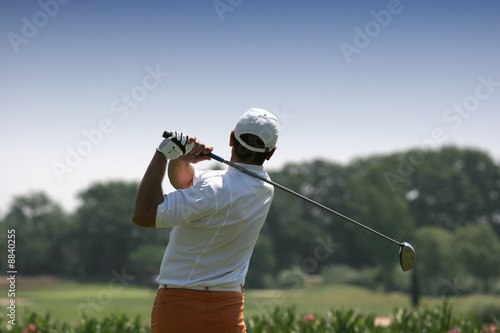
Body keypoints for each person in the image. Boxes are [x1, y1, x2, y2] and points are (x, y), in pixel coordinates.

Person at [132, 108, 279, 332]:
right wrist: (181, 159)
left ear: (231, 138)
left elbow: (144, 215)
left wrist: (162, 155)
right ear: (270, 153)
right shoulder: (266, 188)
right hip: (228, 308)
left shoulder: (213, 189)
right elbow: (186, 182)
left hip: (178, 305)